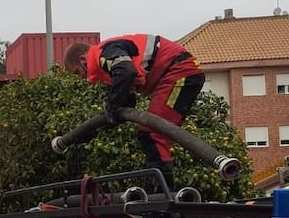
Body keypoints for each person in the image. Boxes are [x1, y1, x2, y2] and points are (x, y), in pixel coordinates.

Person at [59, 34, 205, 189]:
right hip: (176, 72)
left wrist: (112, 106)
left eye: (77, 72)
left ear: (83, 61)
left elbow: (125, 71)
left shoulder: (103, 53)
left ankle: (162, 196)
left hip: (180, 72)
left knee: (152, 134)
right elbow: (126, 102)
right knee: (152, 133)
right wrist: (95, 129)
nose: (81, 78)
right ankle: (160, 193)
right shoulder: (111, 65)